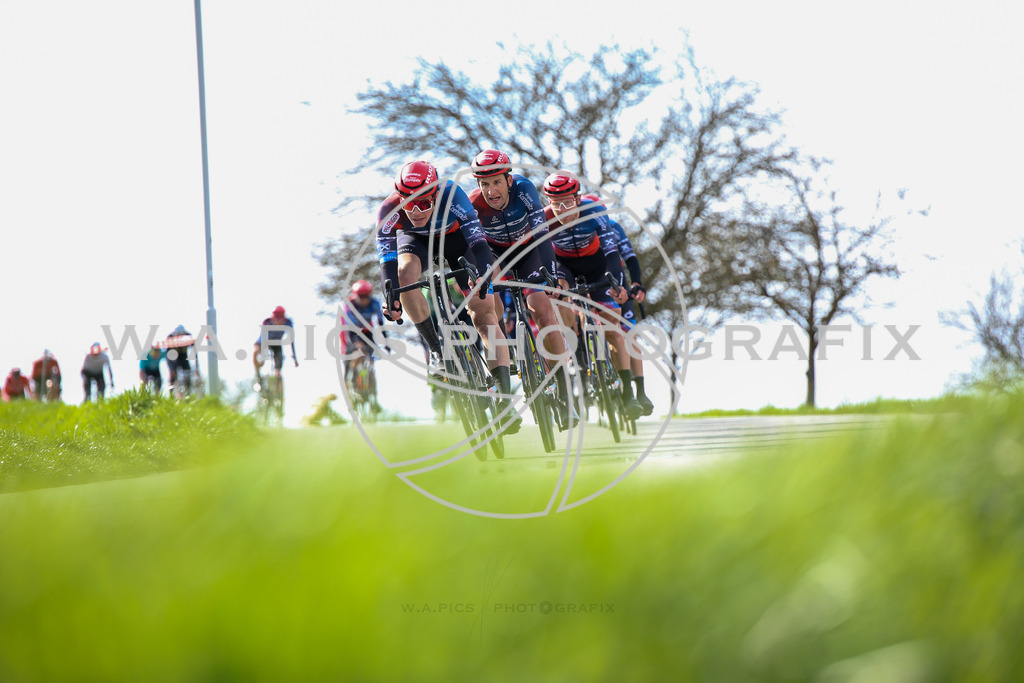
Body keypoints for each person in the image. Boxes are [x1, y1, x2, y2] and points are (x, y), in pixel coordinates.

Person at [377, 159, 520, 433]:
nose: (416, 211)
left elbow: (478, 244)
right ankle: (436, 350)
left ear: (435, 194)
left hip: (458, 241)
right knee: (404, 276)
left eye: (423, 203)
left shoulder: (452, 194)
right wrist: (391, 297)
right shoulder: (388, 209)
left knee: (486, 314)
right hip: (415, 242)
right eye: (409, 204)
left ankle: (504, 399)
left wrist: (482, 276)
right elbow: (387, 264)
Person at [467, 149, 577, 425]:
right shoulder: (473, 203)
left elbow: (541, 236)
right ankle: (504, 369)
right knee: (490, 310)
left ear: (509, 180)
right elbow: (473, 246)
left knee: (543, 309)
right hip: (495, 255)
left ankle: (566, 396)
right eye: (484, 184)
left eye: (496, 182)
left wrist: (550, 275)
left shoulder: (525, 189)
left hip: (529, 252)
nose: (491, 191)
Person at [542, 170, 644, 421]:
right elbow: (542, 256)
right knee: (559, 292)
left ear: (578, 199)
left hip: (598, 266)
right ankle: (575, 349)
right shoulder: (543, 220)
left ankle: (629, 393)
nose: (563, 209)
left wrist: (616, 284)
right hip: (567, 267)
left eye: (567, 202)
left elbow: (613, 255)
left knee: (614, 329)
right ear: (549, 203)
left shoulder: (594, 214)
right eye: (556, 204)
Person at [580, 193, 655, 416]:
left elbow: (630, 258)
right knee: (582, 319)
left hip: (612, 281)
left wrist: (637, 283)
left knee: (629, 335)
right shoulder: (576, 229)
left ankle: (639, 391)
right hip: (586, 281)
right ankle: (590, 362)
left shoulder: (613, 227)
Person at [341, 280, 385, 399]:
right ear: (356, 296)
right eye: (361, 297)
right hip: (352, 332)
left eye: (367, 296)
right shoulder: (350, 304)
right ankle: (350, 382)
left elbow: (381, 323)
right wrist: (355, 344)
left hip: (367, 332)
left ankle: (373, 395)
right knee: (354, 355)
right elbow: (348, 328)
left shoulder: (375, 303)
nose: (365, 300)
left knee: (371, 362)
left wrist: (386, 342)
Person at [254, 306, 298, 380]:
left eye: (280, 319)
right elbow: (262, 338)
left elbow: (291, 341)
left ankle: (277, 378)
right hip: (264, 341)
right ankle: (257, 374)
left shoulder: (288, 323)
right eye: (276, 319)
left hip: (276, 343)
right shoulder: (267, 322)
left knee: (279, 358)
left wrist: (295, 358)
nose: (278, 321)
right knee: (260, 359)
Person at [164, 325, 198, 394]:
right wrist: (173, 366)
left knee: (187, 373)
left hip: (183, 355)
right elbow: (168, 353)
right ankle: (171, 391)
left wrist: (197, 367)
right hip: (172, 355)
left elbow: (195, 353)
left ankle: (188, 392)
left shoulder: (189, 337)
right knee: (173, 372)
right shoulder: (170, 337)